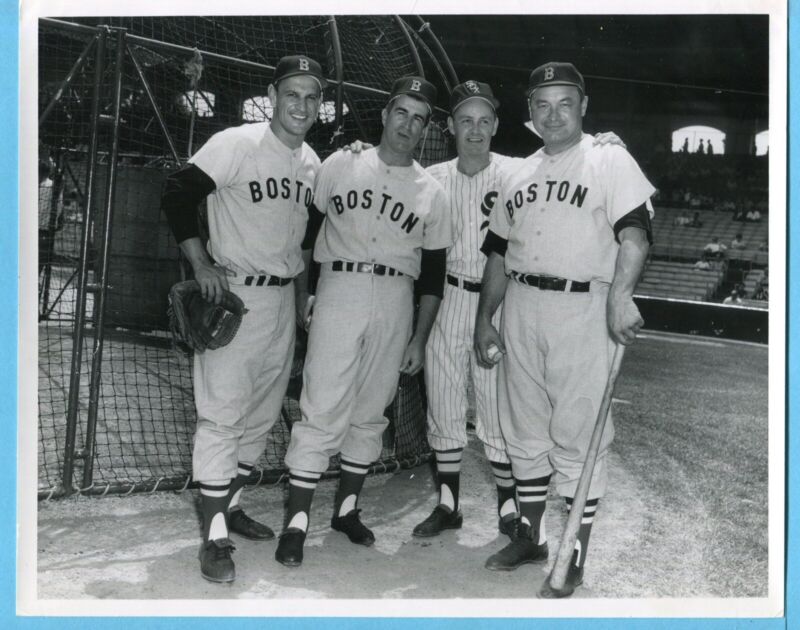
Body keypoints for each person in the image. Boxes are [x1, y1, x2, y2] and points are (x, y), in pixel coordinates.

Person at [414, 80, 627, 541]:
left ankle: (510, 509)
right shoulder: (430, 178)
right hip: (448, 295)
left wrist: (606, 140)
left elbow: (569, 161)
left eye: (484, 120)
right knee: (445, 401)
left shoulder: (516, 170)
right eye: (465, 120)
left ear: (497, 124)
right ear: (450, 126)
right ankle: (448, 504)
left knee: (499, 409)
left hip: (501, 300)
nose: (475, 129)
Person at [474, 61, 654, 598]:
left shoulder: (608, 158)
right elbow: (499, 256)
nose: (553, 115)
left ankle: (573, 548)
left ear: (584, 106)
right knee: (523, 430)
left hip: (583, 307)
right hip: (522, 305)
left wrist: (620, 298)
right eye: (542, 105)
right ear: (529, 112)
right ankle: (531, 535)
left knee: (578, 436)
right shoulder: (514, 173)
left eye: (565, 103)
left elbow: (636, 235)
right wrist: (485, 318)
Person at [160, 55, 327, 583]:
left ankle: (228, 503)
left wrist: (303, 300)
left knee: (259, 417)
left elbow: (302, 240)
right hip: (233, 293)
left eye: (311, 96)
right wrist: (201, 261)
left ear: (319, 106)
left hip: (281, 301)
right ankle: (213, 538)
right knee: (221, 416)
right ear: (273, 96)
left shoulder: (312, 163)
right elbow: (178, 192)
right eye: (292, 93)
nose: (301, 105)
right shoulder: (237, 142)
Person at [275, 76, 452, 568]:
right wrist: (302, 296)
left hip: (397, 296)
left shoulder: (433, 192)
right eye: (402, 112)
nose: (408, 125)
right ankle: (297, 520)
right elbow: (307, 237)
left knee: (372, 408)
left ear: (426, 128)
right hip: (340, 287)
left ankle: (347, 510)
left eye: (419, 118)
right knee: (321, 402)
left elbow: (434, 277)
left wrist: (420, 336)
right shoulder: (342, 162)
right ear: (385, 114)